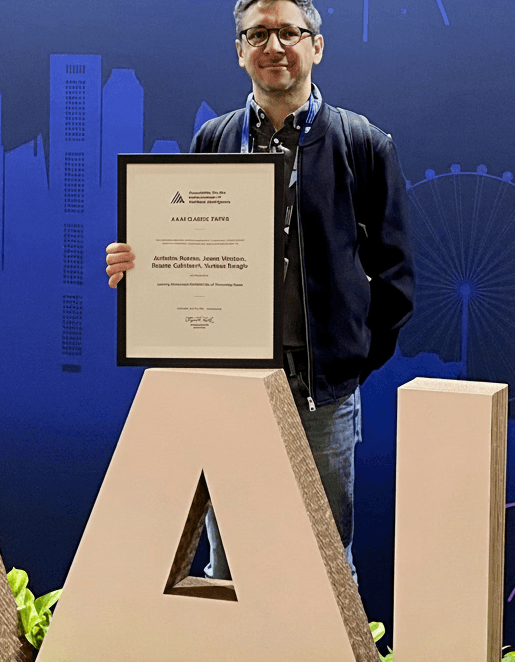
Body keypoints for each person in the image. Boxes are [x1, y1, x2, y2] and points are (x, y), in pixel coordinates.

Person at [105, 0, 413, 582]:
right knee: (232, 568)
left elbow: (395, 277)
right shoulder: (214, 137)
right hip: (230, 389)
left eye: (289, 32)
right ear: (240, 50)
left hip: (322, 397)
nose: (274, 46)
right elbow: (186, 249)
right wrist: (140, 266)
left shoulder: (363, 143)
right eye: (258, 34)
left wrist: (348, 363)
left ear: (316, 46)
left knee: (326, 567)